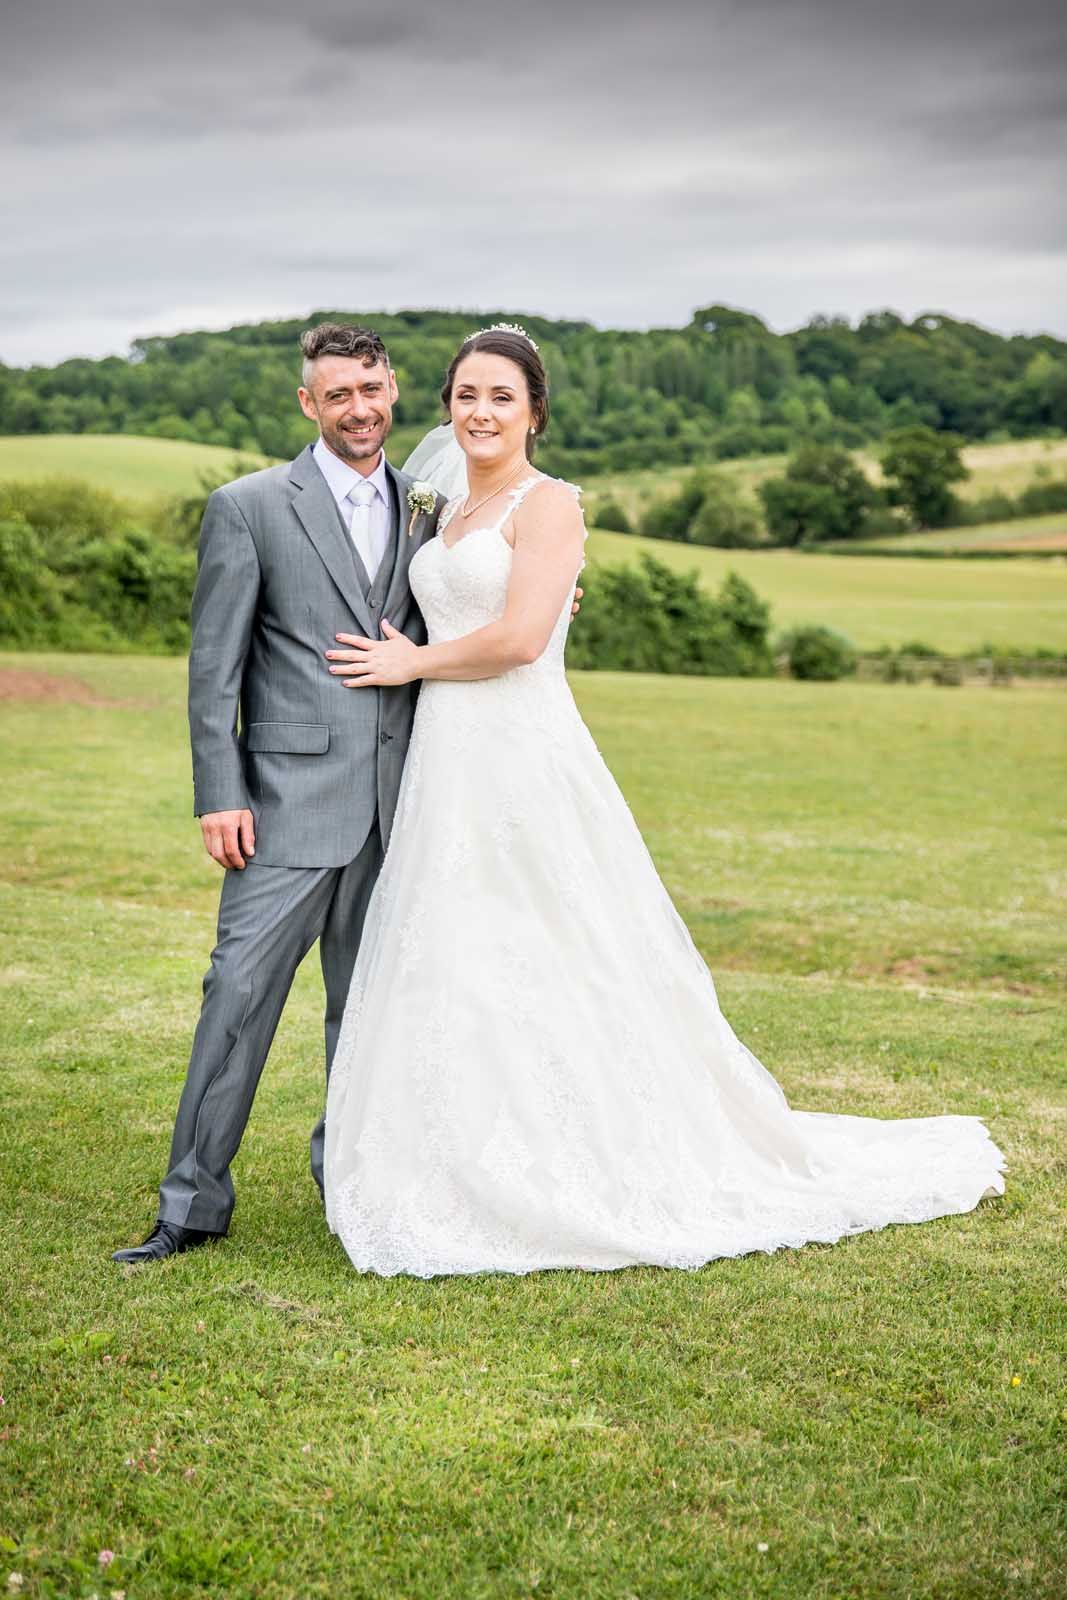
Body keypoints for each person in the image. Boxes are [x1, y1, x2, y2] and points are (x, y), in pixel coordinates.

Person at [320, 324, 1007, 1277]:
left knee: (560, 938)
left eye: (501, 398)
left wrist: (412, 660)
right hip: (447, 755)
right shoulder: (441, 515)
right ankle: (457, 1144)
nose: (480, 412)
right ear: (446, 405)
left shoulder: (549, 505)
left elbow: (519, 639)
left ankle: (586, 1147)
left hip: (519, 745)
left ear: (533, 412)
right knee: (462, 943)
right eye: (466, 395)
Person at [111, 324, 451, 1263]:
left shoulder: (431, 505)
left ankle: (350, 1180)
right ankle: (191, 1203)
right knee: (239, 992)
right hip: (286, 802)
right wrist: (219, 793)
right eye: (337, 393)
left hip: (404, 802)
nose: (358, 407)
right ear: (309, 403)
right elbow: (213, 667)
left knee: (372, 1005)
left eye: (372, 388)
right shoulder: (250, 506)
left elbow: (472, 608)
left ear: (393, 390)